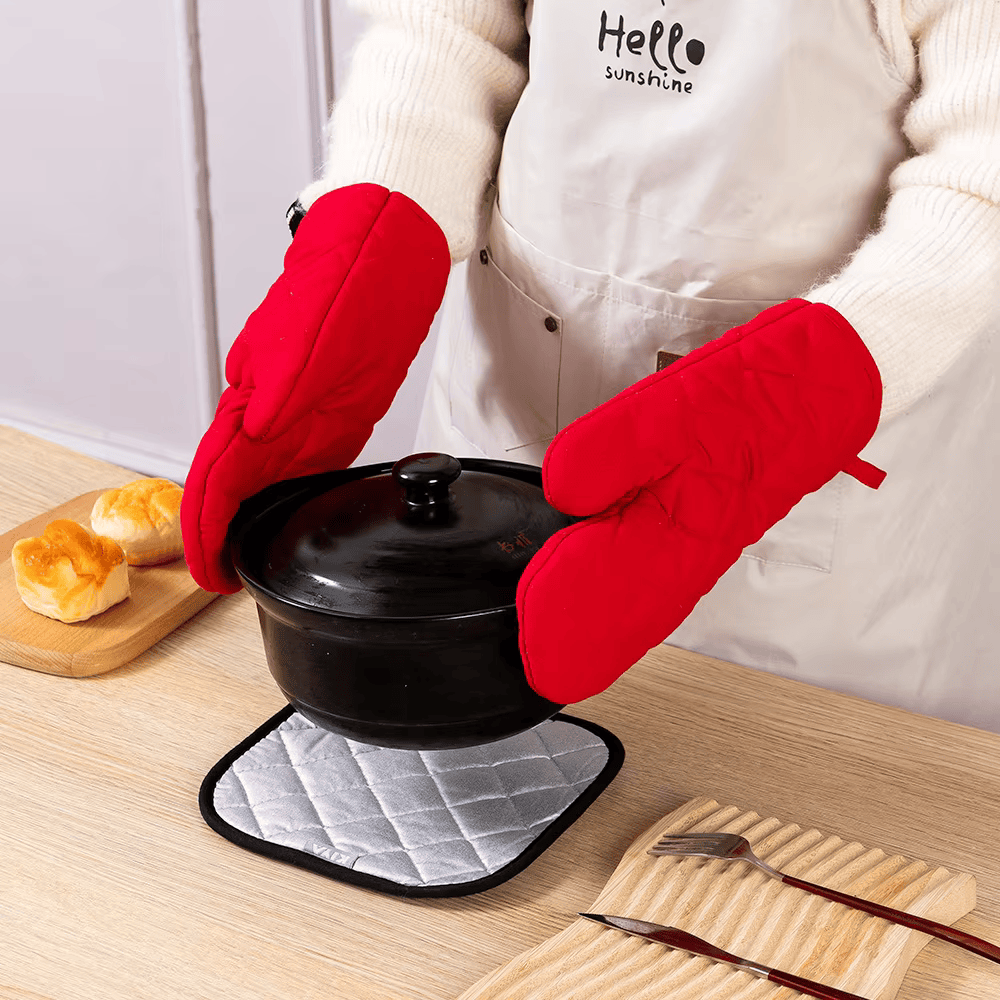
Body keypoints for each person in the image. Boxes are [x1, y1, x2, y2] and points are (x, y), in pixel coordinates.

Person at [180, 2, 1000, 731]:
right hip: (509, 411)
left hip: (816, 535)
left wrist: (794, 394)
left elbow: (984, 176)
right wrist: (375, 229)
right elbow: (448, 27)